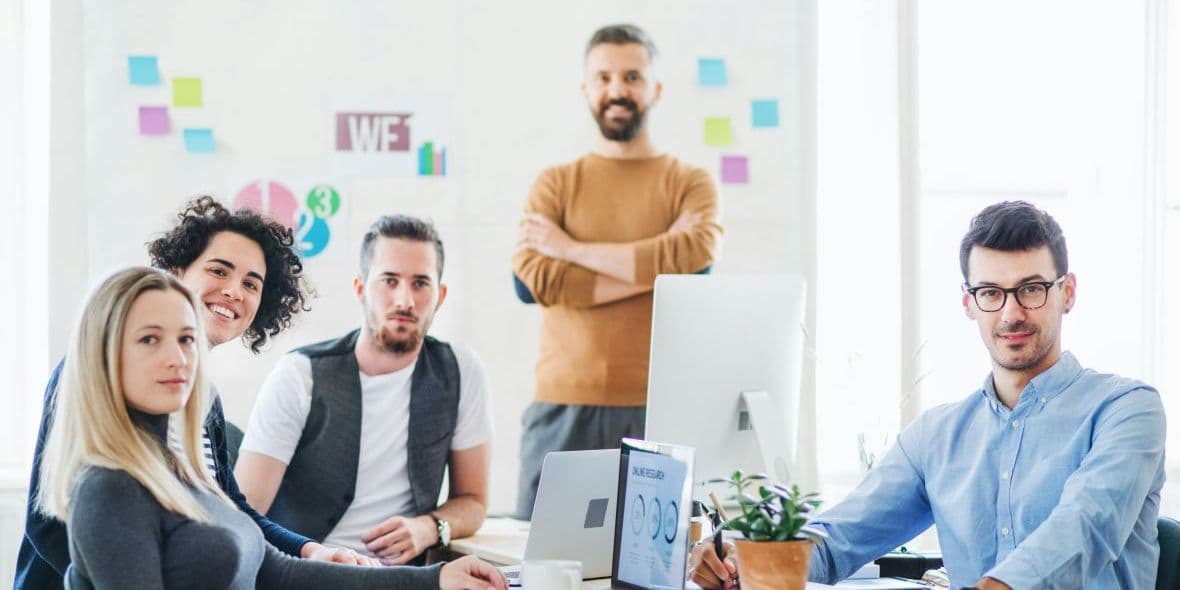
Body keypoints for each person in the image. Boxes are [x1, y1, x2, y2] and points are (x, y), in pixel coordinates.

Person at [689, 201, 1165, 589]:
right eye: (991, 293)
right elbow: (839, 539)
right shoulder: (937, 436)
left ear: (1069, 293)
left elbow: (1087, 525)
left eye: (1032, 289)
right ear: (968, 302)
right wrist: (742, 558)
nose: (1011, 313)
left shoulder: (1127, 410)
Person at [35, 267, 506, 589]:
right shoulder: (111, 488)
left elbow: (279, 574)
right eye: (149, 340)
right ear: (103, 355)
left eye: (185, 339)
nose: (177, 358)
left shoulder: (182, 468)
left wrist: (434, 580)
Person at [15, 197, 370, 590]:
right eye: (220, 270)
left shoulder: (206, 401)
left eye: (251, 284)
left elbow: (231, 509)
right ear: (175, 273)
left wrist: (308, 550)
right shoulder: (91, 373)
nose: (234, 291)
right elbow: (48, 522)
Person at [511, 23, 723, 519]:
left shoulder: (689, 182)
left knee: (660, 570)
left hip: (660, 408)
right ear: (586, 88)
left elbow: (697, 251)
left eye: (631, 77)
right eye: (603, 77)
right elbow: (535, 278)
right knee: (539, 568)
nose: (616, 90)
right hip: (562, 408)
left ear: (656, 88)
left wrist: (570, 248)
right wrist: (657, 269)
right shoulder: (555, 183)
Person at [235, 214, 494, 565]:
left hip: (408, 577)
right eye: (389, 281)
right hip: (311, 573)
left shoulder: (460, 370)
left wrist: (429, 528)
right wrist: (313, 557)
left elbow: (473, 500)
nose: (405, 300)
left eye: (421, 283)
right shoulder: (299, 374)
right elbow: (243, 516)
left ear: (440, 295)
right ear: (360, 288)